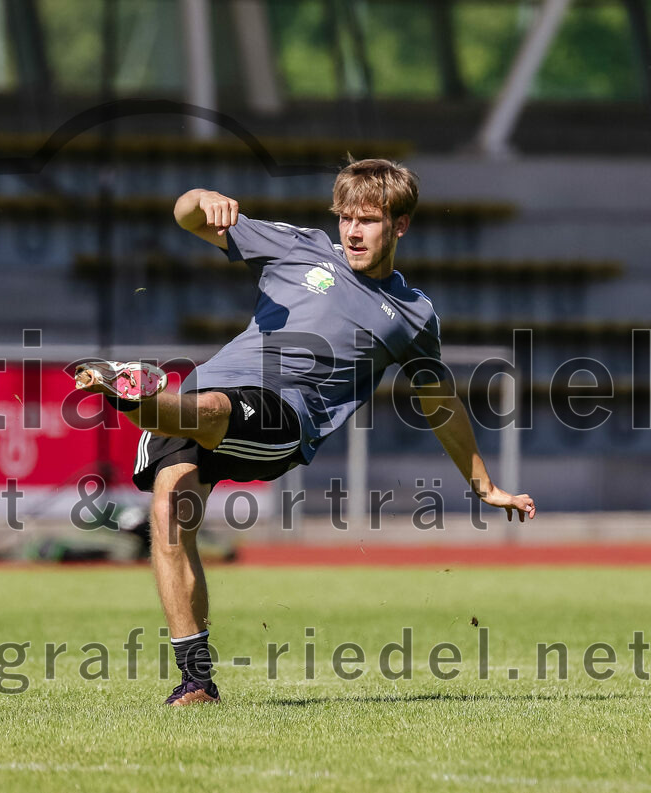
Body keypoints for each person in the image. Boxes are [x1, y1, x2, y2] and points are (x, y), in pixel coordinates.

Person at [74, 158, 537, 706]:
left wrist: (483, 484)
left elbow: (439, 403)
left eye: (368, 220)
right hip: (201, 390)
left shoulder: (412, 315)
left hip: (285, 417)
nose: (353, 231)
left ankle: (137, 394)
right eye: (345, 218)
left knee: (214, 410)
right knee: (169, 513)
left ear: (401, 225)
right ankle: (196, 682)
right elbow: (185, 215)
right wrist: (204, 196)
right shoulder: (297, 247)